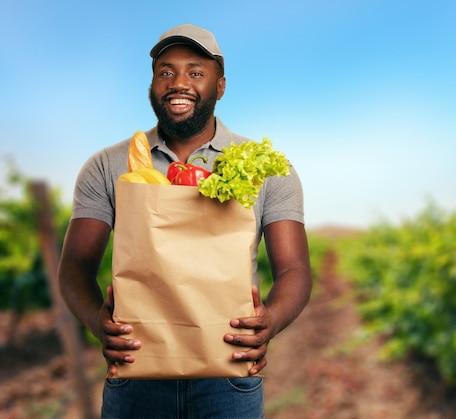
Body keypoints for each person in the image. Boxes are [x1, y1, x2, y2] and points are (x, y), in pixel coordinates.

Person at [58, 23, 312, 418]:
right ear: (152, 84)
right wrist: (97, 320)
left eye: (196, 72)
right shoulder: (108, 165)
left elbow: (294, 268)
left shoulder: (267, 168)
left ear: (220, 86)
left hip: (227, 374)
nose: (179, 83)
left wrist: (270, 321)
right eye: (166, 72)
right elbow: (74, 264)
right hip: (136, 372)